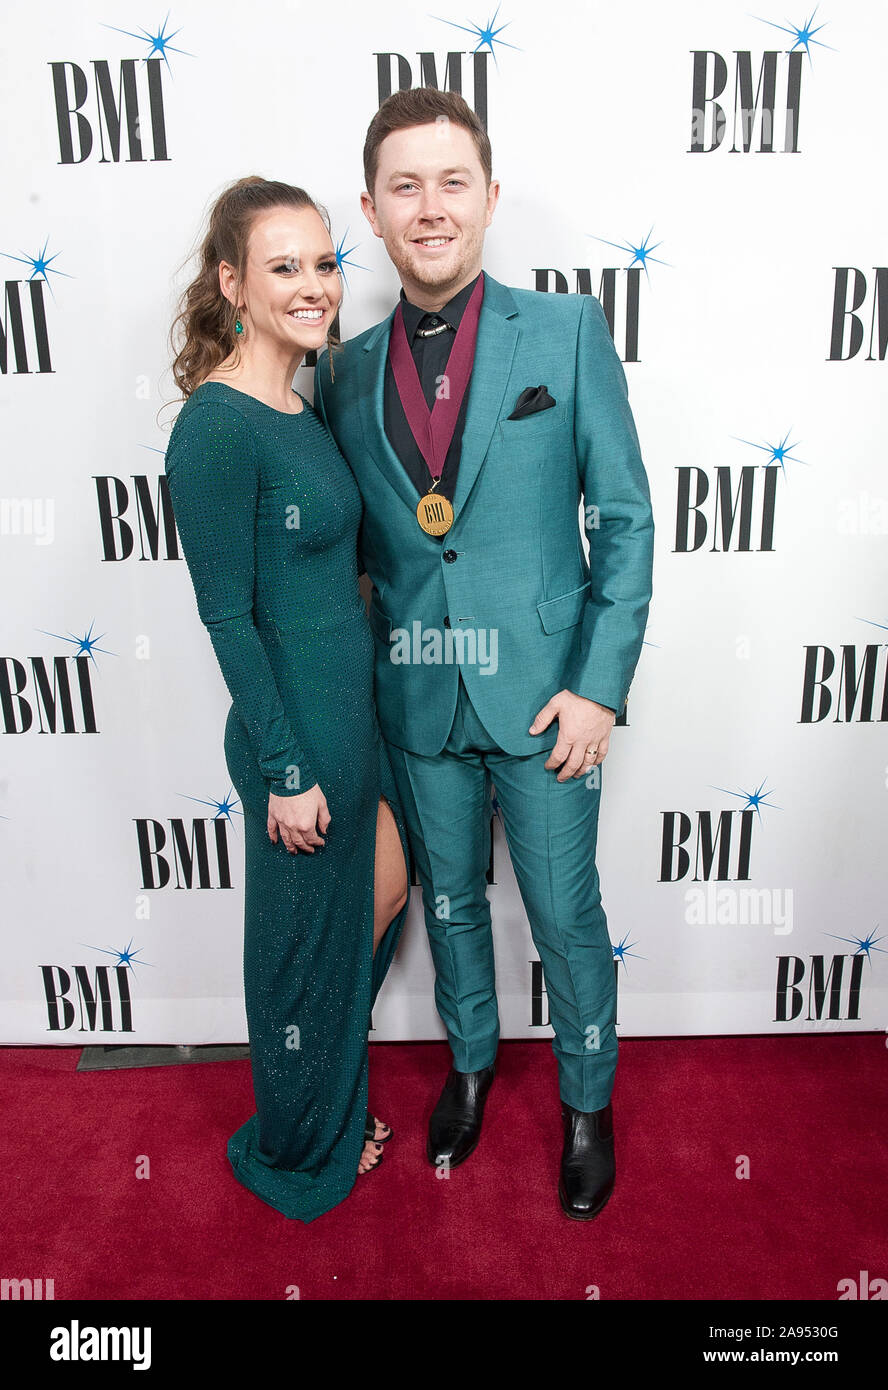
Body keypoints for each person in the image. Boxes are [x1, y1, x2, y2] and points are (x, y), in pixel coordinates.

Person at [314, 91, 654, 1219]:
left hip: (550, 700)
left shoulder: (564, 332)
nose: (429, 207)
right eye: (403, 186)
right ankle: (468, 1068)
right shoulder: (344, 370)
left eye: (451, 181)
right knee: (451, 904)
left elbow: (628, 516)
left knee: (565, 916)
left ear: (491, 197)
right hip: (415, 693)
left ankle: (588, 1103)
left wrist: (601, 686)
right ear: (371, 209)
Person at [164, 176, 410, 1222]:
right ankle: (304, 1141)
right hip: (294, 734)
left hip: (355, 716)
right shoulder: (216, 428)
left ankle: (329, 1097)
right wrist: (285, 770)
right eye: (284, 266)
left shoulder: (301, 403)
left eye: (323, 262)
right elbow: (228, 618)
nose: (314, 285)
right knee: (301, 956)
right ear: (231, 283)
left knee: (382, 897)